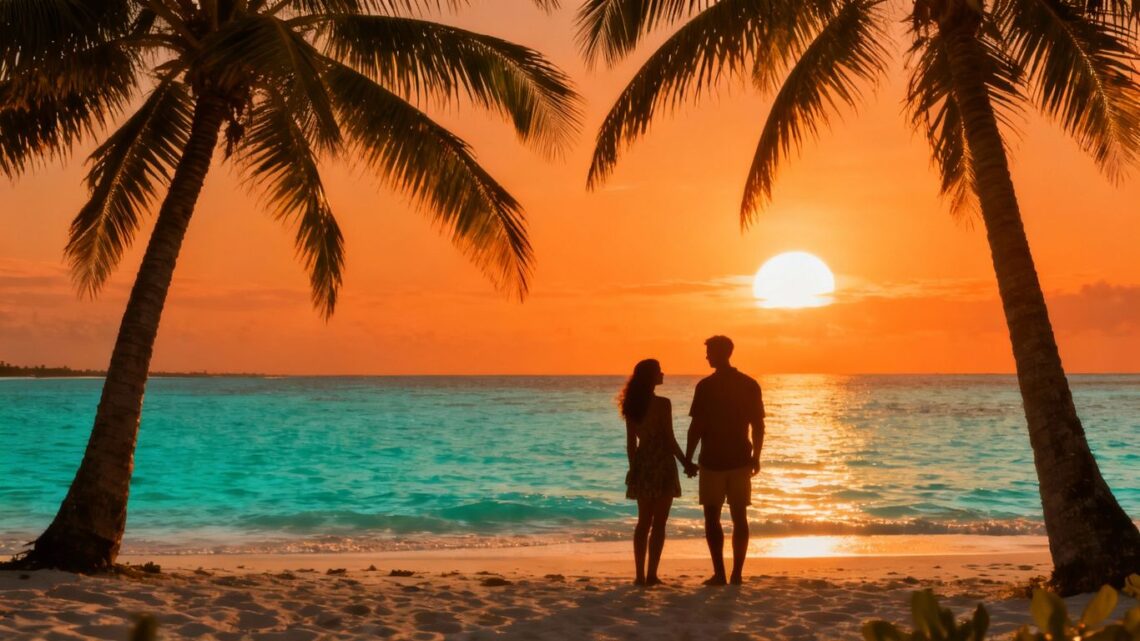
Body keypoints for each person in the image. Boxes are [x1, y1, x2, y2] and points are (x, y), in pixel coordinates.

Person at [685, 335, 765, 586]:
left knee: (713, 517)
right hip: (740, 458)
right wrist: (756, 456)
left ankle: (721, 573)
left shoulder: (706, 386)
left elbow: (696, 427)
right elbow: (758, 425)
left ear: (721, 353)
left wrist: (688, 458)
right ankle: (736, 574)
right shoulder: (749, 384)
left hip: (713, 460)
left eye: (709, 351)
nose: (706, 356)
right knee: (739, 516)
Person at [620, 358, 698, 586]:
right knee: (659, 523)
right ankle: (652, 575)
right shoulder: (663, 404)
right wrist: (686, 462)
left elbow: (631, 444)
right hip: (662, 463)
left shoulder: (632, 404)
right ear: (651, 377)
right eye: (659, 371)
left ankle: (640, 576)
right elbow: (669, 439)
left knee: (643, 522)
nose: (663, 374)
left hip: (644, 463)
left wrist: (633, 468)